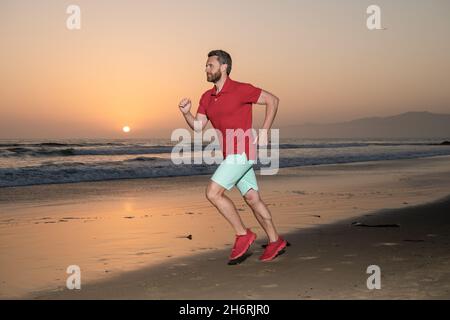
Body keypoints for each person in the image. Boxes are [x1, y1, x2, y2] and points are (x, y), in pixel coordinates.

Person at [178, 49, 287, 262]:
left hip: (243, 150)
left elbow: (273, 100)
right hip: (231, 155)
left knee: (213, 193)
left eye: (210, 65)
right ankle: (275, 241)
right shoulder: (206, 97)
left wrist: (264, 131)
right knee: (252, 198)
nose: (206, 69)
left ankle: (242, 234)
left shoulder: (241, 89)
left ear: (224, 67)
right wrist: (186, 113)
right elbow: (198, 126)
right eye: (206, 65)